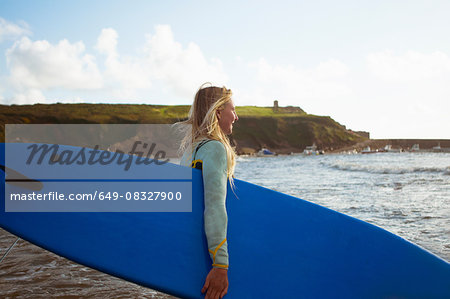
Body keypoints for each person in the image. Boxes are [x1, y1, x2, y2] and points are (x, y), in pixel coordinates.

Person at [179, 83, 238, 299]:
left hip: (188, 252)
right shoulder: (215, 148)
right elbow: (214, 206)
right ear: (219, 112)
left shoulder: (191, 150)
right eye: (233, 110)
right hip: (209, 258)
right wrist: (221, 265)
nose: (236, 117)